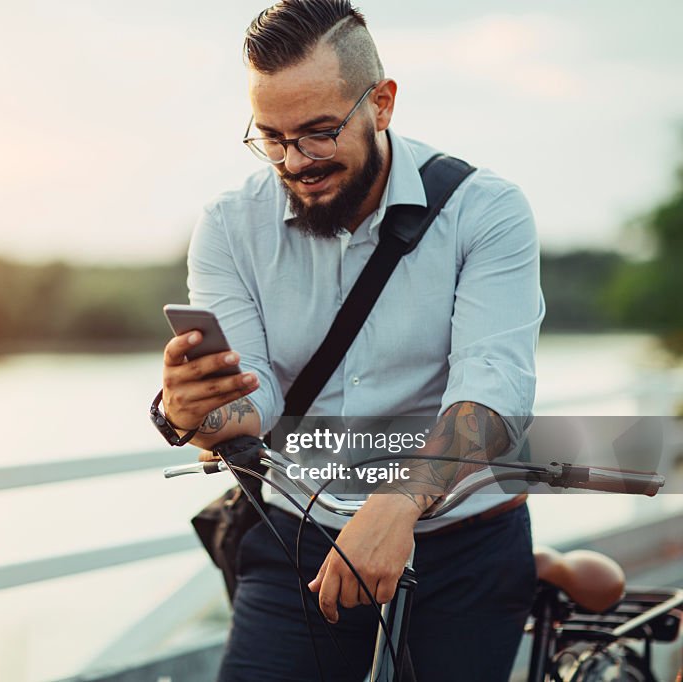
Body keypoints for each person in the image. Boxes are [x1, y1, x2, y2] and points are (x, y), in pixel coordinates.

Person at [154, 1, 545, 680]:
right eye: (271, 138)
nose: (294, 161)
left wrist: (397, 502)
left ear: (383, 103)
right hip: (298, 537)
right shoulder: (226, 225)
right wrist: (201, 415)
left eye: (319, 133)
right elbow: (255, 401)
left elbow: (494, 387)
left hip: (464, 543)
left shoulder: (488, 210)